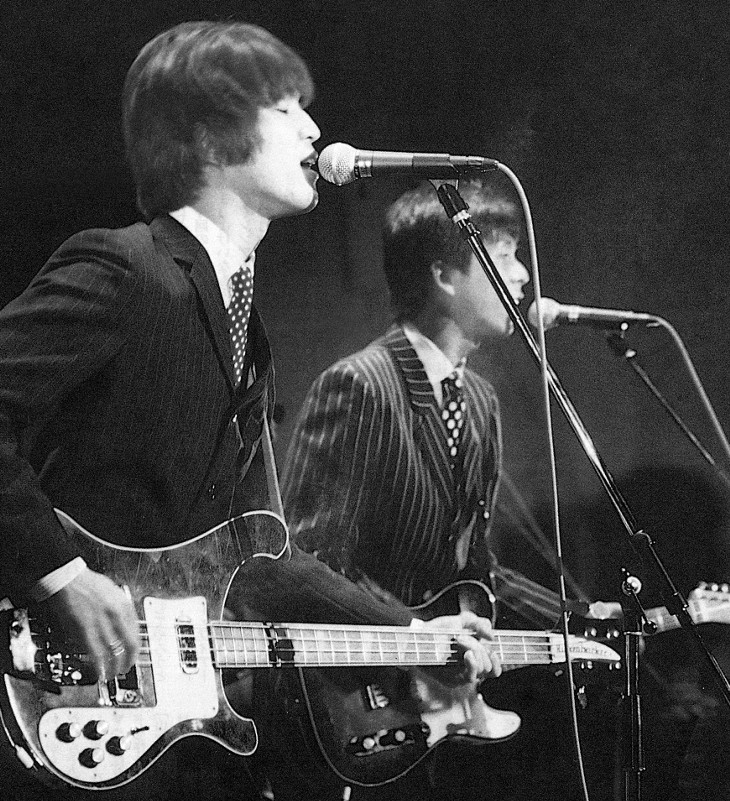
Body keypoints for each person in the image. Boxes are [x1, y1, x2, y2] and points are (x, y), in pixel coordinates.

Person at [0, 22, 499, 801]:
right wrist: (57, 574)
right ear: (207, 136)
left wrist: (410, 630)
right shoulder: (126, 267)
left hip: (160, 730)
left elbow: (260, 553)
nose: (313, 129)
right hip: (58, 683)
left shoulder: (245, 330)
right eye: (285, 107)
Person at [280, 180, 621, 800]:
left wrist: (581, 621)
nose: (523, 276)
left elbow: (475, 571)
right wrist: (418, 632)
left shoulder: (481, 401)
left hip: (436, 706)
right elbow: (312, 560)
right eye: (505, 255)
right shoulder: (360, 385)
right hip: (359, 703)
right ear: (444, 275)